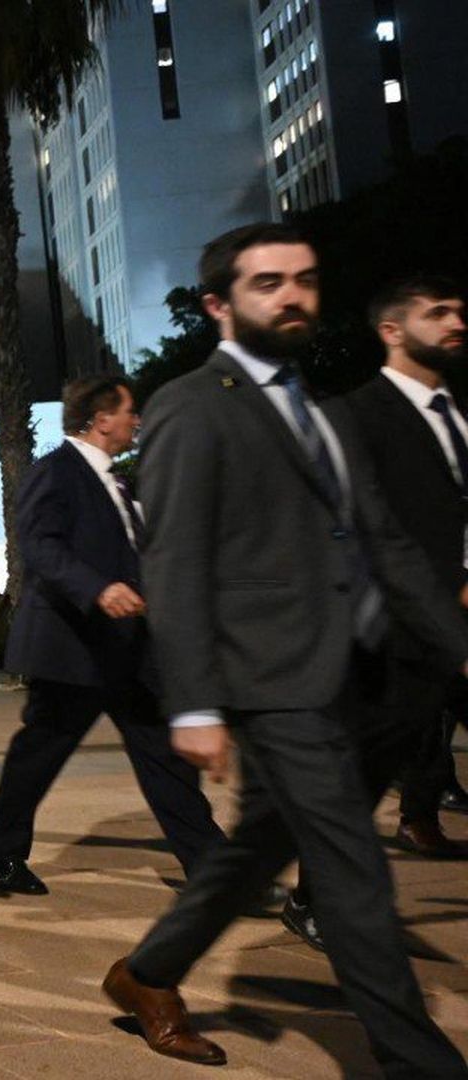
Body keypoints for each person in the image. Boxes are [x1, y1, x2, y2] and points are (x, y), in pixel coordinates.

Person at [100, 224, 468, 1076]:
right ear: (219, 305)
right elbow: (176, 559)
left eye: (303, 279)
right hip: (269, 678)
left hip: (351, 671)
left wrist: (458, 646)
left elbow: (385, 542)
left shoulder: (319, 405)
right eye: (268, 283)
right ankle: (420, 1064)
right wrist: (194, 702)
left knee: (257, 847)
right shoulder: (192, 404)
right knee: (352, 872)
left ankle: (147, 974)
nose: (293, 295)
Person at [269, 277, 468, 952]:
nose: (455, 321)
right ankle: (310, 897)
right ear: (391, 330)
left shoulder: (453, 416)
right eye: (437, 312)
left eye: (458, 310)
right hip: (394, 632)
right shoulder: (354, 415)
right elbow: (362, 533)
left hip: (443, 628)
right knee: (354, 780)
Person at [0, 375, 223, 896]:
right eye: (130, 411)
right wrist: (98, 588)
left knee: (165, 757)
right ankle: (2, 853)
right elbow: (41, 546)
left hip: (129, 649)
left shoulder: (118, 481)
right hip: (72, 647)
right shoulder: (55, 472)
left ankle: (211, 868)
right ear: (101, 419)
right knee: (39, 756)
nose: (137, 421)